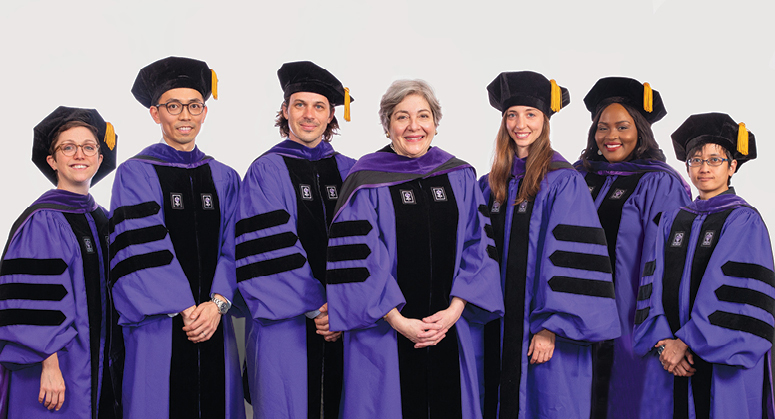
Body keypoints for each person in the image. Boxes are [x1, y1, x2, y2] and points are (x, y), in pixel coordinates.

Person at [325, 79, 503, 419]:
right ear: (387, 124)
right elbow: (361, 257)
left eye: (423, 116)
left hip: (449, 327)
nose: (413, 126)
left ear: (435, 124)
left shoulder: (459, 175)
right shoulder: (365, 179)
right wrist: (398, 320)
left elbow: (478, 246)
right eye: (402, 117)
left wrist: (454, 310)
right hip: (385, 332)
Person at [479, 71, 621, 419]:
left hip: (544, 332)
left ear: (545, 120)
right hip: (497, 329)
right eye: (512, 115)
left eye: (530, 114)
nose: (520, 124)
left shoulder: (563, 182)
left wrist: (551, 326)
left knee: (549, 405)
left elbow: (575, 264)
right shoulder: (491, 183)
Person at [109, 56, 244, 418]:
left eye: (194, 106)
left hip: (215, 322)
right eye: (173, 106)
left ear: (204, 112)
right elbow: (140, 247)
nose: (185, 116)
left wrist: (216, 305)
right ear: (155, 113)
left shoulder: (225, 177)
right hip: (159, 327)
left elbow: (236, 246)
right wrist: (187, 309)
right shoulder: (135, 173)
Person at [634, 113, 775, 418]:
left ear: (732, 166)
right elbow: (652, 283)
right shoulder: (673, 218)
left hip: (718, 360)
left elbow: (735, 294)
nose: (704, 168)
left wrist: (684, 342)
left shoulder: (743, 220)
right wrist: (662, 342)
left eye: (715, 160)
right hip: (668, 358)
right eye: (696, 160)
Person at [235, 61, 355, 418]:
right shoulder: (266, 170)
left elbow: (369, 248)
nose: (308, 115)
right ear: (285, 111)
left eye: (319, 106)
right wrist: (320, 307)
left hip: (347, 323)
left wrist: (345, 308)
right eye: (299, 105)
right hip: (285, 325)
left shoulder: (352, 170)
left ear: (331, 115)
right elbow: (268, 247)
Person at [573, 77, 692, 418]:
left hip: (632, 323)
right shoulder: (577, 176)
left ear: (640, 129)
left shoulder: (659, 182)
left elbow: (669, 264)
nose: (611, 137)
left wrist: (660, 332)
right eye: (602, 127)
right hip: (576, 321)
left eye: (622, 127)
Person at [0, 106, 122, 418]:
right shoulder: (42, 221)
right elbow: (31, 302)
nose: (79, 154)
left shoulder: (103, 219)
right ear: (52, 160)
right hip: (58, 368)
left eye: (88, 147)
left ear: (99, 157)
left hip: (101, 365)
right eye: (67, 147)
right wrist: (49, 365)